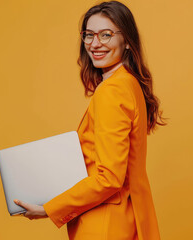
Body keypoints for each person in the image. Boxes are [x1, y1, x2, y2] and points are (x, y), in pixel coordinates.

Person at [13, 1, 167, 239]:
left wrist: (49, 209)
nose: (95, 44)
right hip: (127, 218)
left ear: (126, 40)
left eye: (106, 35)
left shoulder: (112, 91)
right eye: (89, 35)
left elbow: (109, 178)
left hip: (105, 225)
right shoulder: (130, 84)